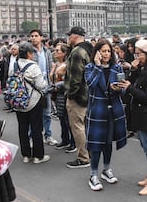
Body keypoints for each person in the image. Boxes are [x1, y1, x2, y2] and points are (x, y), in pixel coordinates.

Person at [118, 39, 147, 195]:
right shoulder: (143, 70)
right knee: (146, 147)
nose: (136, 57)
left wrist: (130, 88)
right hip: (141, 115)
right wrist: (134, 70)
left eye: (139, 54)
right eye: (135, 54)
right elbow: (132, 81)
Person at [85, 39, 127, 191]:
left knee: (108, 142)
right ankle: (93, 174)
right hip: (97, 110)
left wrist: (119, 89)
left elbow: (123, 89)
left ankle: (106, 169)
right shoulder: (90, 67)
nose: (106, 54)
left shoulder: (117, 67)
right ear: (97, 52)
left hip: (113, 110)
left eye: (108, 51)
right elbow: (90, 84)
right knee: (96, 144)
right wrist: (97, 67)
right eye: (103, 51)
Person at [14, 42, 50, 164]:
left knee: (22, 128)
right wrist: (44, 79)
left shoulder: (15, 64)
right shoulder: (33, 66)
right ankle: (38, 156)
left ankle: (26, 154)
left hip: (18, 100)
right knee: (36, 127)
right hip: (33, 101)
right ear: (29, 54)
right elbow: (41, 85)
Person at [65, 26, 94, 168]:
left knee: (77, 127)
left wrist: (71, 94)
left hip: (79, 95)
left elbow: (75, 77)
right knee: (87, 126)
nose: (68, 38)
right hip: (89, 93)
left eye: (70, 36)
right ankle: (90, 152)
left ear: (75, 36)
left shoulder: (77, 52)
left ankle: (83, 157)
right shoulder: (90, 49)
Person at [29, 29, 57, 146]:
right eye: (32, 36)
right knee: (33, 114)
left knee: (47, 113)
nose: (33, 38)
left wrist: (51, 83)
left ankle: (48, 135)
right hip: (33, 87)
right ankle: (32, 137)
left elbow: (50, 67)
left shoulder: (47, 51)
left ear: (41, 37)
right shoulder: (29, 51)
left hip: (46, 86)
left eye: (36, 36)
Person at [50, 43, 75, 151]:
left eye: (58, 51)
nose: (55, 52)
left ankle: (73, 142)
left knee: (67, 118)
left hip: (63, 92)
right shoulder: (56, 64)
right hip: (56, 93)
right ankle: (65, 139)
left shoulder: (67, 65)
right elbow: (51, 77)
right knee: (61, 117)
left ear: (64, 53)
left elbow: (65, 79)